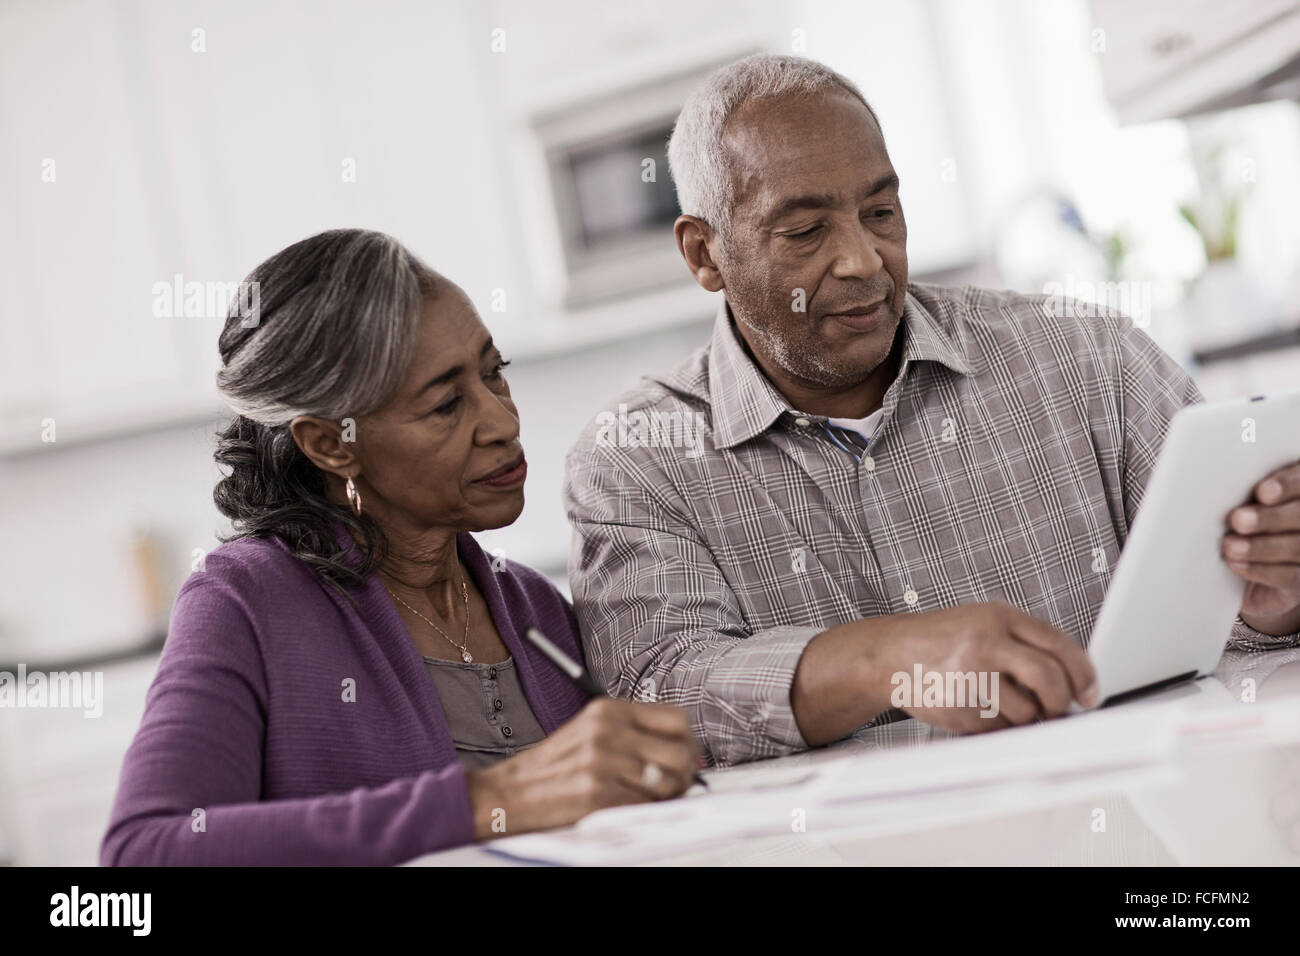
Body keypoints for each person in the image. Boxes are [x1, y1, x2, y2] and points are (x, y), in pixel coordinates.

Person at [563, 54, 1300, 769]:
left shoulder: (1088, 358)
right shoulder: (636, 461)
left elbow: (1243, 639)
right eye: (806, 232)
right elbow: (657, 699)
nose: (862, 259)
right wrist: (888, 660)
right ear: (705, 254)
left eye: (880, 211)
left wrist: (1272, 599)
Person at [101, 229, 698, 865]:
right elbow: (145, 853)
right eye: (445, 404)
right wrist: (486, 800)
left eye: (494, 374)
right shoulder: (244, 601)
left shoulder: (533, 607)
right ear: (332, 444)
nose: (502, 423)